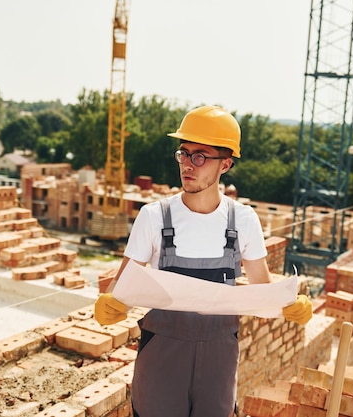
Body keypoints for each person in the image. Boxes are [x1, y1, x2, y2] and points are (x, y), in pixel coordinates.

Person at [94, 105, 313, 417]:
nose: (188, 165)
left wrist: (287, 305)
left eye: (200, 156)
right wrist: (112, 305)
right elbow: (123, 285)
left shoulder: (243, 220)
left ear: (225, 163)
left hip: (219, 358)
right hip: (162, 354)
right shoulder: (154, 217)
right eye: (184, 153)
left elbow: (261, 289)